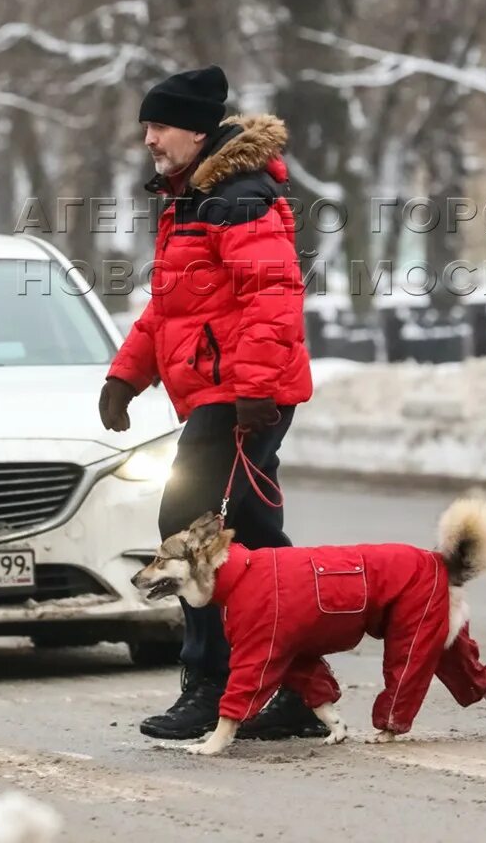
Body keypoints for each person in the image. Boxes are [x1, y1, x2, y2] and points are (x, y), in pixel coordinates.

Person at [98, 64, 316, 741]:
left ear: (196, 130)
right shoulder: (192, 197)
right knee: (250, 542)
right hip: (225, 395)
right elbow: (173, 309)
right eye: (146, 129)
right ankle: (293, 691)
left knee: (192, 532)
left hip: (242, 397)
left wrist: (252, 392)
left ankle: (214, 689)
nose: (150, 141)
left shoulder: (238, 197)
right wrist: (126, 377)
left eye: (159, 127)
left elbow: (271, 299)